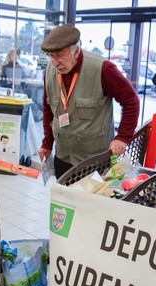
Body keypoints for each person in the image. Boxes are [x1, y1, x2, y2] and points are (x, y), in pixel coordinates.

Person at [37, 24, 140, 179]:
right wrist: (47, 143)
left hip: (93, 159)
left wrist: (122, 137)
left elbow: (131, 101)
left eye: (59, 55)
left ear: (76, 51)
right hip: (63, 155)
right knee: (64, 202)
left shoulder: (102, 69)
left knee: (89, 203)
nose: (55, 62)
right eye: (50, 56)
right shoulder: (50, 72)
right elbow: (48, 108)